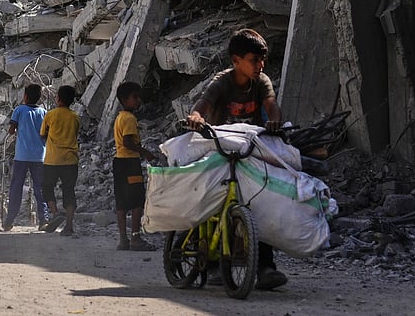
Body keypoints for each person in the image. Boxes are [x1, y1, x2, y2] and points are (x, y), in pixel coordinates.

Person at [186, 28, 287, 291]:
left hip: (247, 149)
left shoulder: (262, 81)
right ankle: (204, 258)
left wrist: (275, 120)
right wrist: (196, 117)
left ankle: (265, 268)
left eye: (262, 60)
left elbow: (271, 105)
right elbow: (202, 105)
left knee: (259, 203)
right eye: (254, 60)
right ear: (236, 61)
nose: (260, 65)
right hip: (219, 149)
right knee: (210, 202)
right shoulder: (223, 82)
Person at [113, 82, 161, 251]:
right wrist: (145, 152)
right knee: (137, 201)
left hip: (119, 162)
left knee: (121, 202)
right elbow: (127, 142)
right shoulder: (129, 118)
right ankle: (135, 238)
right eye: (135, 97)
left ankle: (123, 239)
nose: (138, 100)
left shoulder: (119, 117)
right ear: (125, 99)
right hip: (129, 163)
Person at [3, 83, 50, 231]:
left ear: (25, 96)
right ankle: (44, 219)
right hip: (39, 156)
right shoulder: (44, 112)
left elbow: (11, 130)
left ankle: (10, 220)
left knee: (16, 187)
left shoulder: (19, 110)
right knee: (40, 189)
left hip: (22, 155)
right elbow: (47, 133)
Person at [40, 85, 80, 237]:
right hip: (70, 160)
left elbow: (43, 134)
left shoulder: (50, 115)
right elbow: (75, 134)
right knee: (69, 190)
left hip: (52, 159)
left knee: (47, 186)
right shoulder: (75, 116)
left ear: (58, 99)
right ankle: (69, 226)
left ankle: (55, 212)